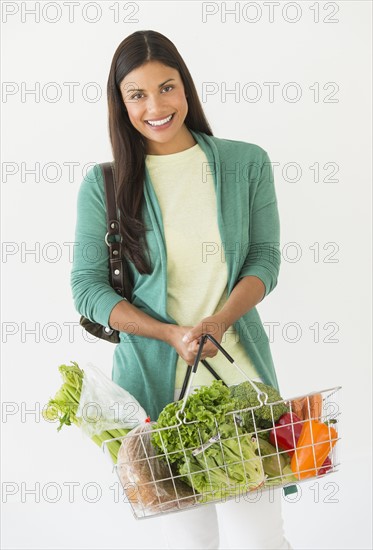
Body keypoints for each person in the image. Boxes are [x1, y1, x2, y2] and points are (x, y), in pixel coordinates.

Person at [71, 30, 293, 550]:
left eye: (166, 88)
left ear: (185, 88)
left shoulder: (245, 164)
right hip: (155, 397)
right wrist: (169, 333)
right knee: (188, 543)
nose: (155, 107)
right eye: (137, 95)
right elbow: (87, 288)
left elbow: (265, 260)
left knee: (262, 539)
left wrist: (219, 321)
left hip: (242, 386)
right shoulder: (102, 185)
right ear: (120, 103)